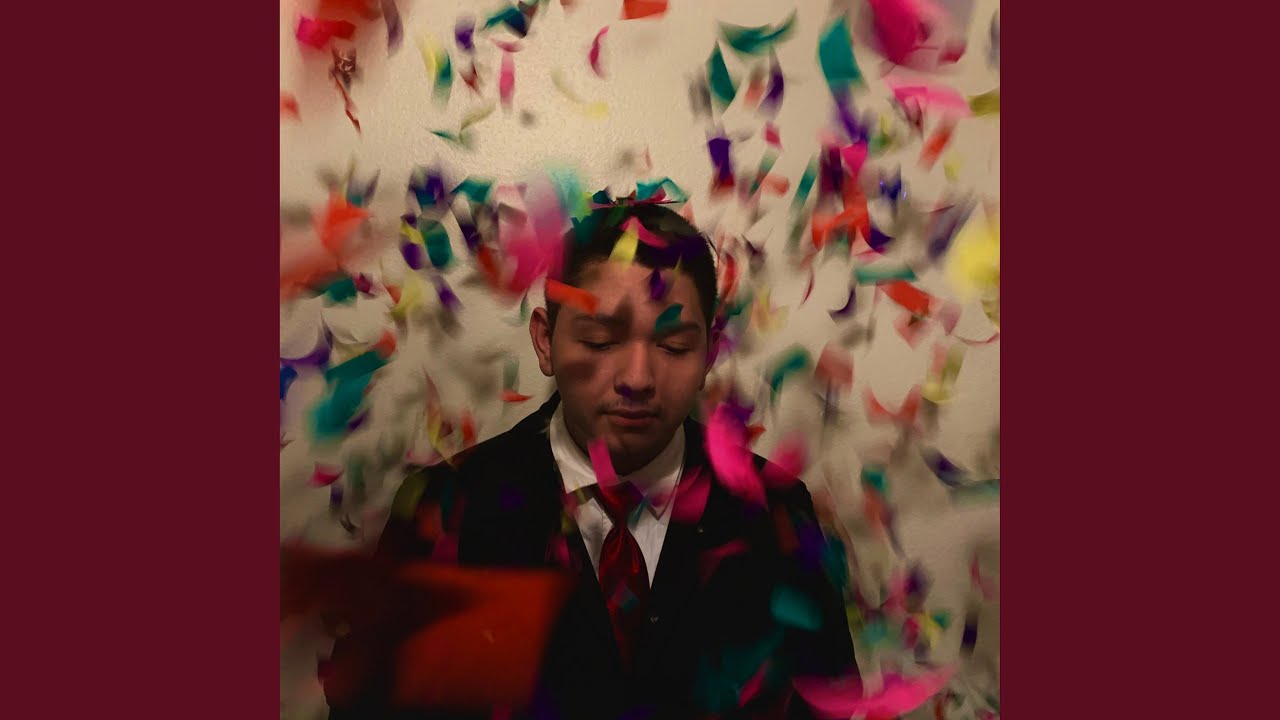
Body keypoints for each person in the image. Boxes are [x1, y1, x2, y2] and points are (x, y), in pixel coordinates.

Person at [325, 200, 857, 719]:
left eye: (674, 346)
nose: (637, 379)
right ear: (545, 342)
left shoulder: (775, 512)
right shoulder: (445, 508)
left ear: (710, 352)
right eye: (601, 340)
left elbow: (827, 700)